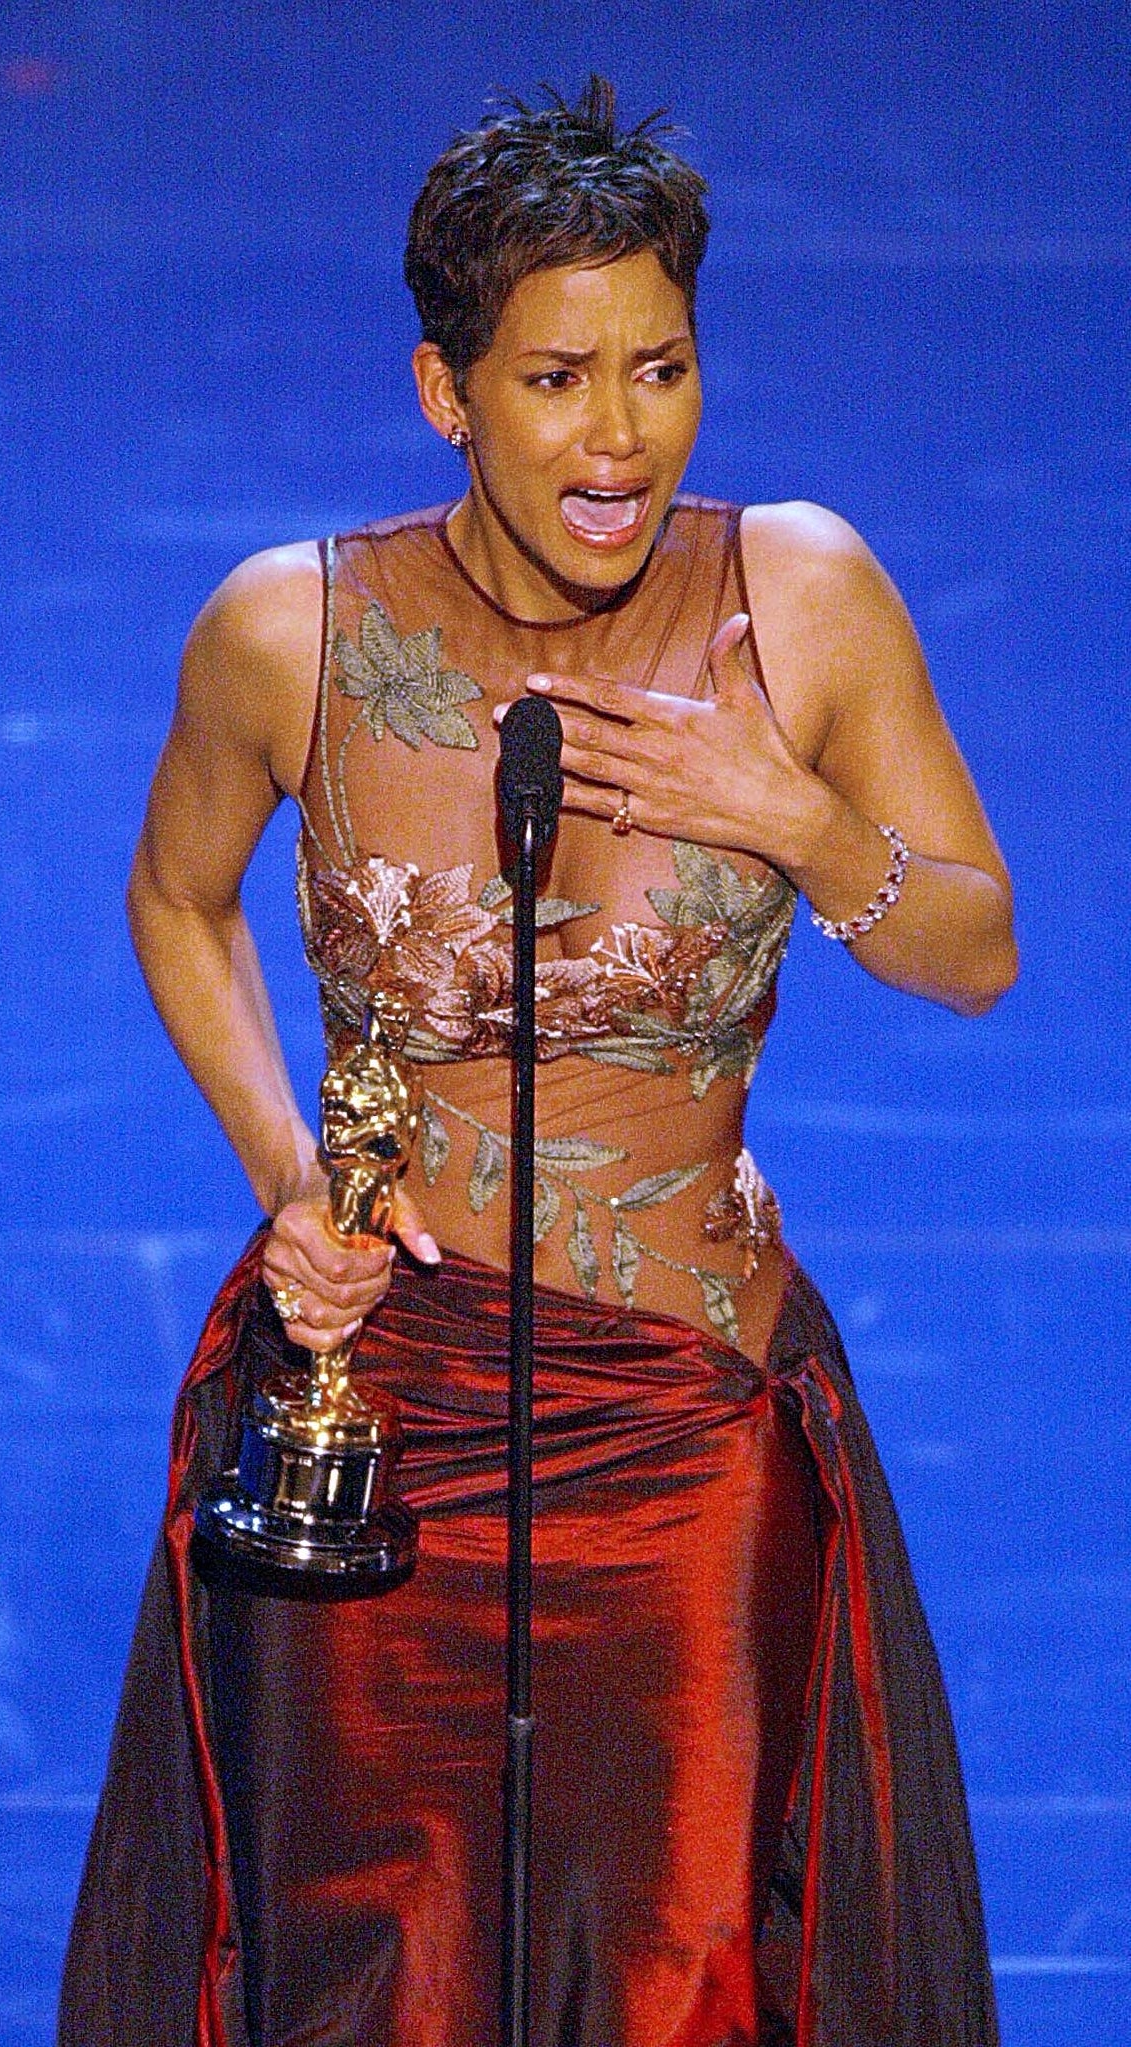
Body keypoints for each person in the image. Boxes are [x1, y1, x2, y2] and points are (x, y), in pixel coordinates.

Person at [59, 79, 1016, 2047]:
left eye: (657, 369)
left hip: (682, 1433)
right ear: (444, 391)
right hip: (375, 1419)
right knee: (369, 1973)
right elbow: (177, 902)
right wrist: (286, 1169)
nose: (615, 439)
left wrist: (800, 819)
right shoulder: (286, 632)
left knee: (677, 1969)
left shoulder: (798, 601)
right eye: (555, 377)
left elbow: (973, 950)